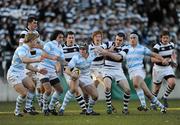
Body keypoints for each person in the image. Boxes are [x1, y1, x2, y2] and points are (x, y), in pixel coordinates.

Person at [98, 32, 167, 113]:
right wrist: (108, 50)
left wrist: (162, 59)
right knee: (148, 93)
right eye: (131, 38)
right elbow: (106, 53)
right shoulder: (126, 48)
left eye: (134, 38)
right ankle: (162, 107)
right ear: (128, 39)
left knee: (135, 83)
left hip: (139, 70)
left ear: (137, 39)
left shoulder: (142, 48)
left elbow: (153, 54)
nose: (132, 39)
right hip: (131, 72)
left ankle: (142, 105)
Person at [7, 32, 47, 117]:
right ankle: (16, 111)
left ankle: (28, 108)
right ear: (31, 40)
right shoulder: (21, 49)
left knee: (32, 87)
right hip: (13, 73)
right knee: (24, 93)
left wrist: (38, 70)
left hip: (21, 72)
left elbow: (27, 65)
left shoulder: (27, 49)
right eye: (36, 41)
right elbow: (24, 60)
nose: (37, 43)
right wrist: (37, 59)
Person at [59, 42, 101, 115]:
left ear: (87, 50)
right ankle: (62, 109)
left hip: (87, 76)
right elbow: (67, 70)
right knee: (73, 89)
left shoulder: (92, 54)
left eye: (84, 49)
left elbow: (101, 51)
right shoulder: (76, 57)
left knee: (95, 96)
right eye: (80, 49)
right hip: (77, 73)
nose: (81, 50)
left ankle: (89, 110)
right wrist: (72, 75)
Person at [58, 31, 87, 115]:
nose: (71, 39)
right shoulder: (61, 48)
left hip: (76, 70)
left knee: (75, 89)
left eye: (72, 38)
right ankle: (84, 109)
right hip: (66, 71)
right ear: (66, 39)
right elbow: (59, 60)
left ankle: (62, 109)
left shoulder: (78, 48)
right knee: (75, 89)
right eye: (69, 38)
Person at [102, 32, 131, 115]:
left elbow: (118, 58)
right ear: (115, 38)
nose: (118, 41)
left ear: (123, 40)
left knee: (128, 90)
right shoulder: (108, 43)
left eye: (120, 40)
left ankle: (125, 108)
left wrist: (107, 52)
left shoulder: (125, 47)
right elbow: (99, 51)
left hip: (118, 70)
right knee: (107, 88)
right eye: (117, 39)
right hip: (107, 69)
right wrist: (109, 50)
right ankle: (109, 107)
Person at [38, 30, 65, 116]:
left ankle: (50, 107)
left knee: (60, 90)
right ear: (55, 37)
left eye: (62, 37)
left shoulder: (60, 47)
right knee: (48, 90)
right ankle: (45, 108)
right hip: (43, 68)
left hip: (52, 70)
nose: (61, 39)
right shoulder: (49, 44)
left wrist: (73, 65)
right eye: (59, 37)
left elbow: (62, 60)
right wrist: (53, 57)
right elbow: (43, 54)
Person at [151, 30, 177, 109]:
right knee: (156, 89)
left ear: (169, 38)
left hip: (167, 68)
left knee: (172, 83)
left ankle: (165, 97)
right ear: (161, 38)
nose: (165, 39)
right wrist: (162, 60)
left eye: (167, 38)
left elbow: (173, 54)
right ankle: (152, 104)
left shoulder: (172, 45)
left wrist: (174, 61)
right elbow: (152, 59)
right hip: (158, 69)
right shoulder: (157, 46)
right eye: (164, 38)